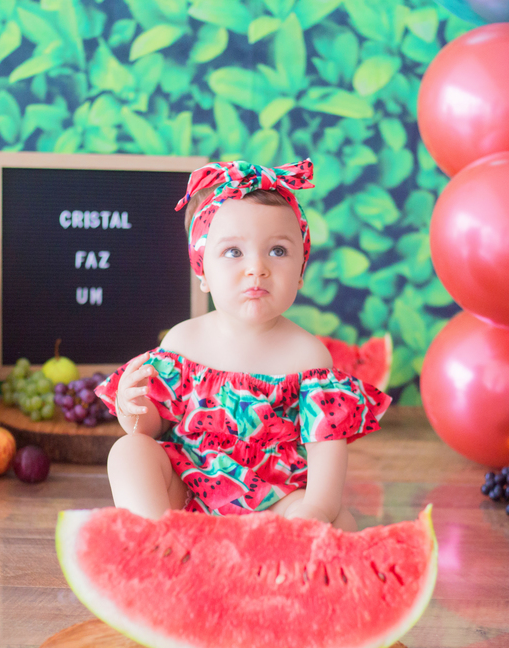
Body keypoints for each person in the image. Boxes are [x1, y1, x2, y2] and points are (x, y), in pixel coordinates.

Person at [94, 159, 390, 530]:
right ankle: (159, 541)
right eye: (234, 252)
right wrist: (131, 409)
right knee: (128, 450)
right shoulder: (183, 343)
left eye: (277, 251)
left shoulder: (308, 357)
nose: (257, 268)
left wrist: (316, 509)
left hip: (275, 503)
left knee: (338, 522)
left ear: (301, 270)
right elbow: (151, 429)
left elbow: (326, 451)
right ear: (203, 271)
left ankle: (286, 543)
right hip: (185, 497)